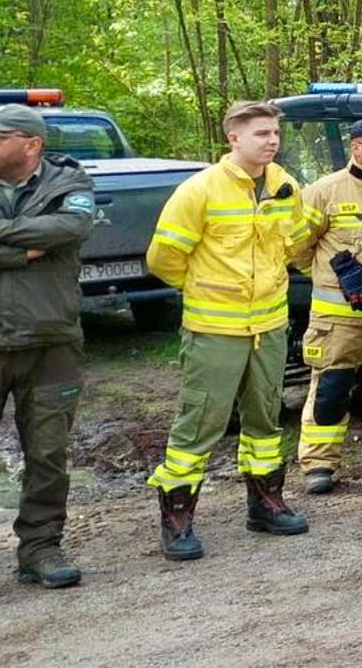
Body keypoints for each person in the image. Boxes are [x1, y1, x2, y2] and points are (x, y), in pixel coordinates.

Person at [144, 101, 309, 559]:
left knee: (264, 419)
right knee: (201, 422)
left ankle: (266, 504)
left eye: (275, 132)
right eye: (261, 133)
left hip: (270, 325)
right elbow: (163, 259)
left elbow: (292, 246)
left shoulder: (285, 186)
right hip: (215, 328)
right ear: (233, 139)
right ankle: (177, 518)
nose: (272, 140)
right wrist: (203, 286)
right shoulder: (200, 190)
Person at [0, 104, 95, 588]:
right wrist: (27, 247)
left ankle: (41, 548)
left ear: (31, 145)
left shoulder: (68, 183)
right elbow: (49, 236)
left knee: (48, 454)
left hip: (52, 343)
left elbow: (69, 229)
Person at [287, 117, 362, 495]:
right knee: (331, 387)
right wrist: (330, 274)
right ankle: (320, 463)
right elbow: (297, 247)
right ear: (356, 147)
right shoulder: (325, 190)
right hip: (339, 316)